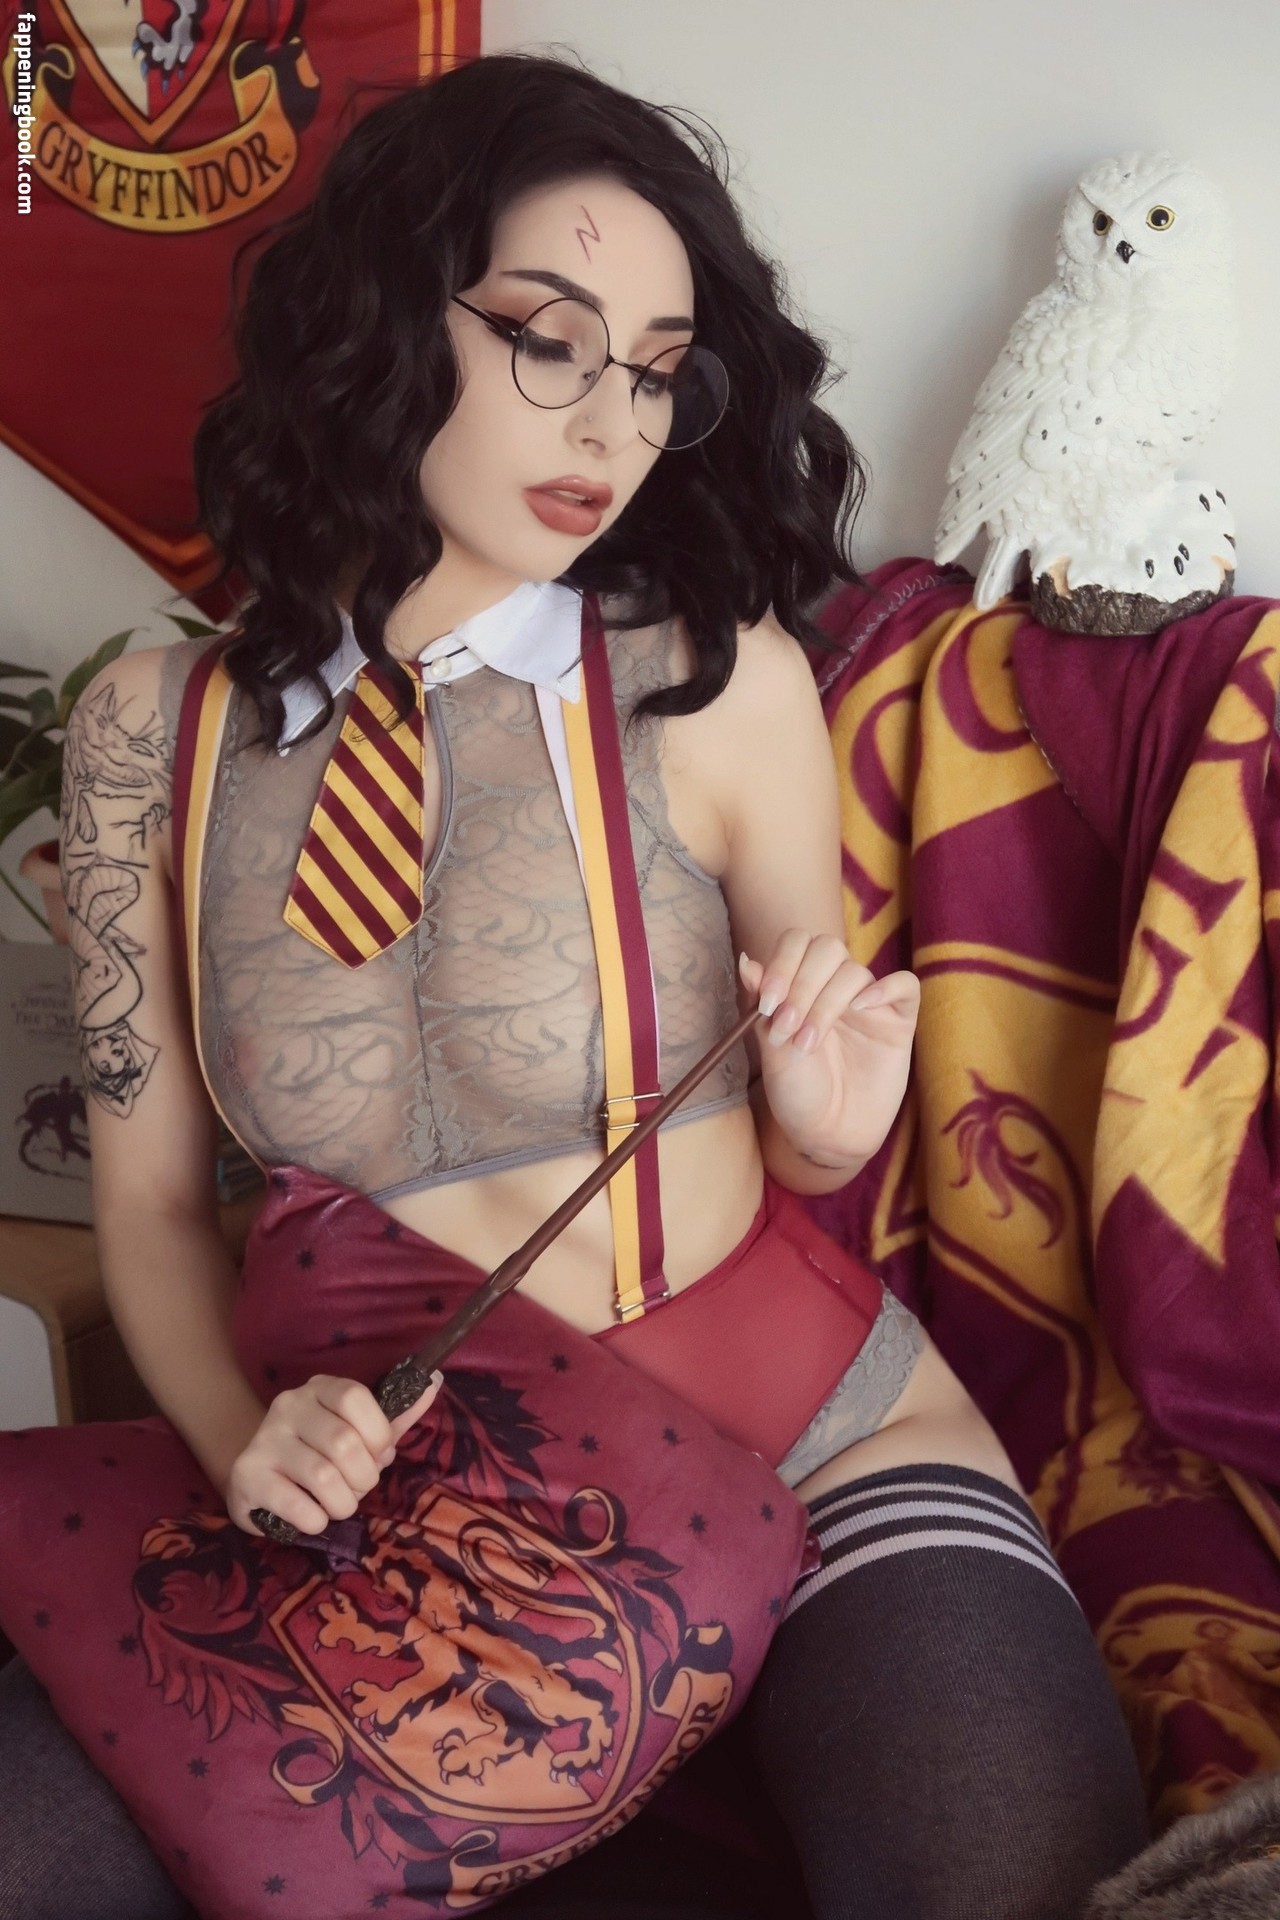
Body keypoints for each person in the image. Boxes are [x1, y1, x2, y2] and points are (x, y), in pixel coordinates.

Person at [0, 52, 1148, 1920]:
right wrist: (240, 1441)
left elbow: (817, 1137)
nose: (611, 423)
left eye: (656, 368)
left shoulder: (714, 681)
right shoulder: (152, 736)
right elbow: (143, 1206)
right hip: (397, 1509)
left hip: (809, 1441)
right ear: (381, 323)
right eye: (548, 340)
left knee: (1009, 1873)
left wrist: (834, 1120)